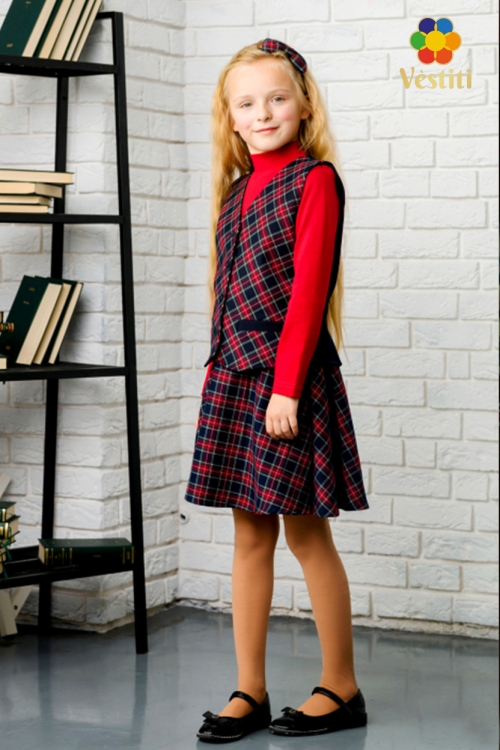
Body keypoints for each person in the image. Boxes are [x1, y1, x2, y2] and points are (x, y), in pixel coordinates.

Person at [184, 37, 370, 743]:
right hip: (234, 377)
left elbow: (307, 296)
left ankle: (342, 686)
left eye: (276, 98)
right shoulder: (236, 192)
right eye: (246, 103)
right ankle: (250, 691)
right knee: (248, 534)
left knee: (306, 533)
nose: (262, 113)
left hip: (285, 380)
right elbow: (226, 295)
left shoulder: (314, 180)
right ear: (230, 117)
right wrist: (216, 378)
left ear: (303, 105)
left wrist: (285, 389)